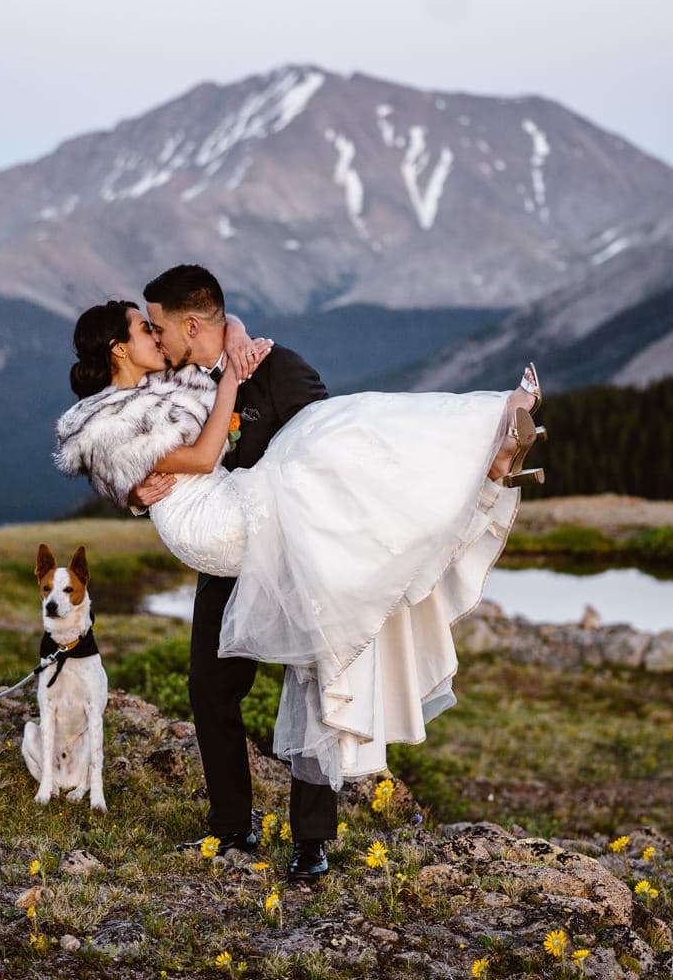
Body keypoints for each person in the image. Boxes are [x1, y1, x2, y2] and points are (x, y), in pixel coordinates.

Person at [54, 266, 541, 883]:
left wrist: (236, 337)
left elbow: (342, 454)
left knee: (318, 668)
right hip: (232, 544)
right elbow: (135, 450)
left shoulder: (272, 367)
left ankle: (311, 840)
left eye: (159, 326)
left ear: (189, 326)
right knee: (210, 685)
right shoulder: (170, 378)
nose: (155, 335)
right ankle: (232, 828)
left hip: (295, 538)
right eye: (145, 329)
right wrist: (129, 489)